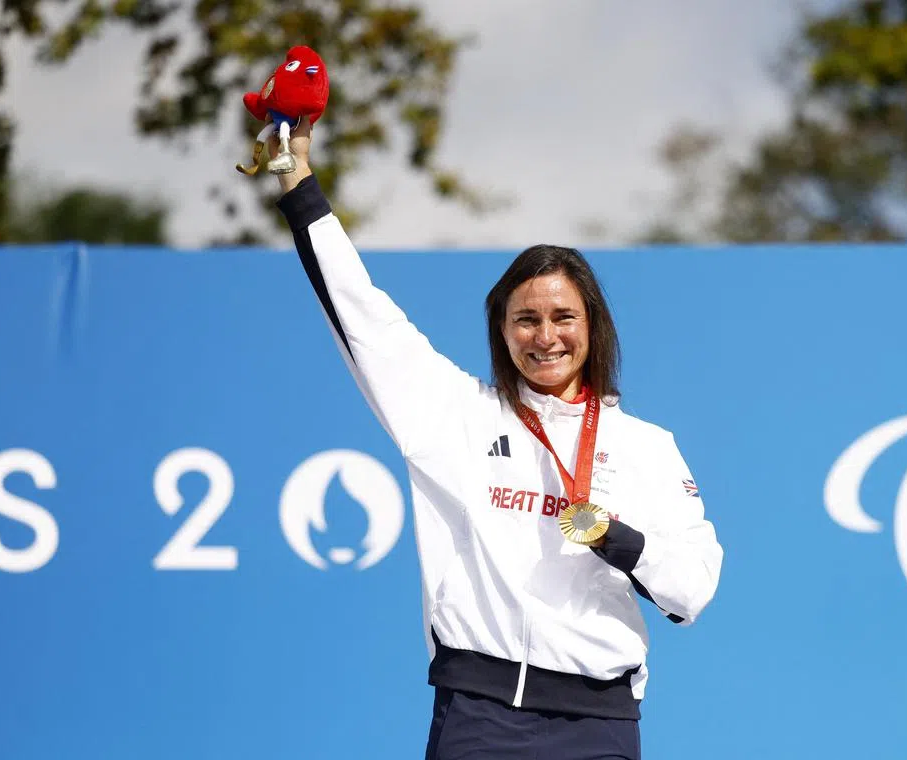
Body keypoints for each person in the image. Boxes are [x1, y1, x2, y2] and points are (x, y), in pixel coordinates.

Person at [271, 117, 723, 760]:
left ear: (593, 326)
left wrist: (616, 539)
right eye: (525, 320)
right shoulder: (455, 414)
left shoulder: (647, 446)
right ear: (502, 331)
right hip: (478, 719)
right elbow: (363, 315)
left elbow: (693, 589)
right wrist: (299, 186)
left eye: (564, 317)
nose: (546, 337)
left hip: (598, 725)